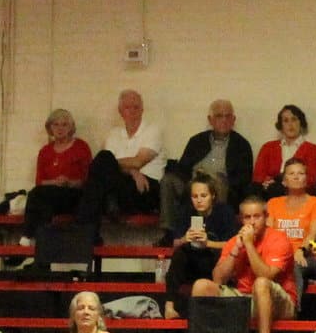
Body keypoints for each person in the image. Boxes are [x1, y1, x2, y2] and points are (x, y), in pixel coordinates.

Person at [198, 190, 299, 333]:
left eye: (256, 216)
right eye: (247, 217)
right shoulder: (234, 241)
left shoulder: (279, 239)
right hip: (245, 300)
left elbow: (267, 275)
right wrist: (236, 249)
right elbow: (218, 278)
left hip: (280, 302)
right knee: (202, 285)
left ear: (266, 217)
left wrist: (249, 245)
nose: (252, 222)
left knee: (260, 283)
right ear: (241, 219)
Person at [163, 100, 256, 233]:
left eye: (228, 116)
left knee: (217, 181)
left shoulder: (241, 145)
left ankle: (215, 230)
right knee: (168, 180)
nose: (224, 120)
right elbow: (182, 169)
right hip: (192, 185)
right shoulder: (197, 141)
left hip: (222, 188)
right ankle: (169, 231)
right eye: (219, 116)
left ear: (233, 120)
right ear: (210, 120)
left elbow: (244, 178)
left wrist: (211, 179)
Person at [78, 88, 164, 229]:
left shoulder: (153, 130)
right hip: (121, 184)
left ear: (142, 109)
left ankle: (84, 229)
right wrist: (131, 171)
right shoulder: (113, 134)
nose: (132, 111)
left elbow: (138, 161)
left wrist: (127, 167)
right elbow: (109, 168)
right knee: (102, 166)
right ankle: (91, 229)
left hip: (146, 187)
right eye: (127, 107)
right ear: (120, 111)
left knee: (103, 161)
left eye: (136, 107)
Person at [162, 172, 242, 302]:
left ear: (213, 196)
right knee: (178, 256)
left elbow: (232, 243)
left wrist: (208, 243)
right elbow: (175, 243)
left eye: (203, 196)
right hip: (192, 261)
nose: (199, 200)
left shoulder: (224, 212)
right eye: (195, 196)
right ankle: (169, 305)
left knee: (221, 256)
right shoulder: (186, 212)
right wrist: (184, 239)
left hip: (215, 261)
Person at [21, 108, 93, 243]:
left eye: (65, 124)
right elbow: (39, 181)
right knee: (38, 197)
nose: (60, 128)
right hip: (51, 195)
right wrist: (54, 182)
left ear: (71, 127)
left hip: (73, 195)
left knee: (40, 200)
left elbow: (88, 179)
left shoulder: (81, 147)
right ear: (50, 128)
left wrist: (69, 182)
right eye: (56, 124)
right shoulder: (45, 151)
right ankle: (41, 252)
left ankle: (27, 239)